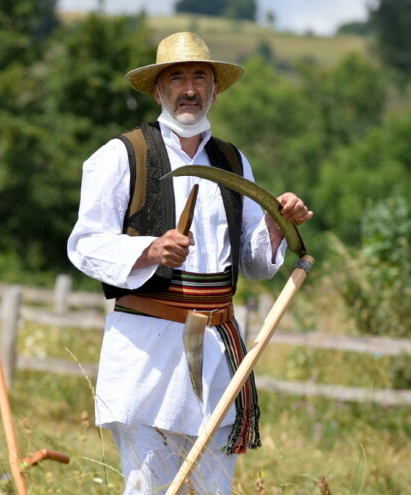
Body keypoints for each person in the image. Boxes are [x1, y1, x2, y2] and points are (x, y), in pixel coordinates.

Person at [67, 32, 313, 494]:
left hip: (219, 349)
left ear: (215, 89)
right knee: (149, 486)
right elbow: (84, 244)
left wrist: (277, 227)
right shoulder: (122, 155)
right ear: (158, 90)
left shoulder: (234, 162)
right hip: (148, 351)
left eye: (199, 76)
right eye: (176, 77)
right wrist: (148, 250)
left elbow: (255, 264)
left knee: (213, 488)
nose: (189, 88)